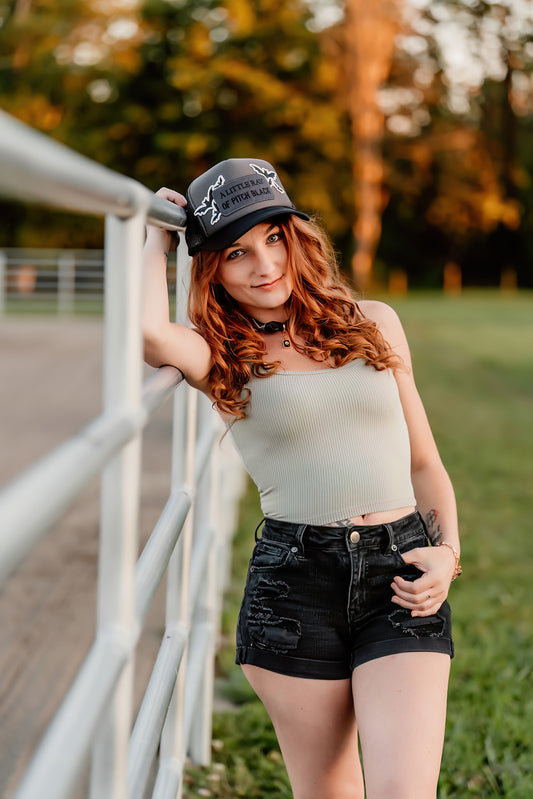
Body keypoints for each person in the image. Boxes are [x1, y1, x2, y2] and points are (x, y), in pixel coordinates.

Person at [142, 158, 462, 799]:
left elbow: (424, 462)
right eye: (237, 252)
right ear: (212, 268)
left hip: (398, 576)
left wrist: (447, 554)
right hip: (294, 586)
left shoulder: (372, 321)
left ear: (297, 237)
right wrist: (156, 237)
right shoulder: (220, 353)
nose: (264, 265)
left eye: (274, 238)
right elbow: (150, 335)